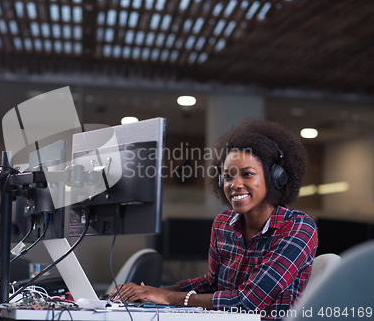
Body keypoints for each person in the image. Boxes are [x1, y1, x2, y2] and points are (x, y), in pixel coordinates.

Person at [110, 118, 318, 319]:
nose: (234, 184)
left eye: (247, 174)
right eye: (228, 176)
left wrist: (168, 297)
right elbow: (213, 282)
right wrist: (150, 293)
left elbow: (247, 302)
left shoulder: (297, 228)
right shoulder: (223, 223)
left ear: (276, 178)